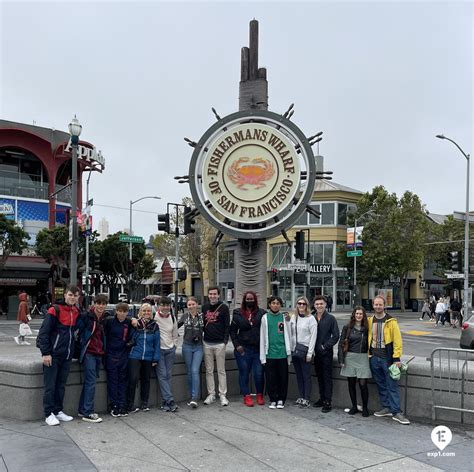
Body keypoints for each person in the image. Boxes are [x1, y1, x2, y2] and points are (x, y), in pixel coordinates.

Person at [37, 285, 81, 426]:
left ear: (78, 297)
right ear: (65, 295)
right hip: (53, 355)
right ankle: (48, 413)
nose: (72, 297)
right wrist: (46, 353)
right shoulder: (54, 310)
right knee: (50, 386)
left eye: (75, 295)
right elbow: (44, 333)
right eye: (70, 294)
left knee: (61, 385)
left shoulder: (76, 311)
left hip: (66, 356)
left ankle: (57, 411)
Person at [368, 295, 410, 425]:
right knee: (380, 384)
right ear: (373, 305)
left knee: (392, 385)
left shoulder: (391, 321)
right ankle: (386, 407)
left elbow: (397, 341)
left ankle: (396, 412)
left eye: (380, 304)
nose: (378, 307)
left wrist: (396, 357)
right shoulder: (370, 320)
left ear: (384, 306)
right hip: (373, 357)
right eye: (376, 304)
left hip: (387, 359)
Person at [230, 290, 266, 407]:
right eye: (247, 299)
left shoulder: (262, 313)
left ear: (255, 300)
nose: (249, 301)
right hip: (243, 349)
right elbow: (233, 331)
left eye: (251, 299)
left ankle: (259, 395)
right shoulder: (237, 313)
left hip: (257, 350)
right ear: (244, 300)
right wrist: (237, 345)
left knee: (258, 374)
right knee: (244, 373)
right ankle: (247, 396)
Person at [77, 294, 109, 423]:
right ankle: (87, 412)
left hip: (99, 353)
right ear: (94, 303)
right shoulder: (86, 316)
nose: (101, 306)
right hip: (88, 353)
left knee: (89, 382)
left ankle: (82, 409)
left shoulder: (105, 318)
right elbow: (77, 330)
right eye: (98, 303)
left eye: (103, 303)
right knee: (91, 382)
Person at [260, 296, 294, 409]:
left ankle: (281, 399)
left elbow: (290, 333)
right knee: (271, 378)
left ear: (280, 305)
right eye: (273, 303)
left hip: (282, 353)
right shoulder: (264, 318)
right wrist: (262, 356)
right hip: (269, 353)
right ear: (269, 305)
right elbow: (262, 338)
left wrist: (289, 320)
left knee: (283, 378)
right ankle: (273, 399)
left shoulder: (284, 317)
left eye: (278, 303)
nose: (275, 305)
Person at [126, 303, 160, 413]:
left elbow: (157, 343)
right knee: (133, 379)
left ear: (151, 313)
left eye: (148, 311)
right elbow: (122, 317)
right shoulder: (135, 323)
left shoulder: (154, 325)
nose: (146, 313)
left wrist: (155, 358)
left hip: (148, 356)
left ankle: (144, 403)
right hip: (135, 355)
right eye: (144, 311)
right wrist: (132, 319)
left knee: (146, 380)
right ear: (140, 312)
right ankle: (129, 404)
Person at [338, 306, 371, 417]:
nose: (358, 316)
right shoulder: (347, 327)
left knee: (363, 384)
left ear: (363, 315)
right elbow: (341, 343)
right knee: (351, 383)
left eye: (360, 314)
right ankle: (354, 406)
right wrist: (341, 359)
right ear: (354, 314)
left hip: (363, 357)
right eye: (357, 313)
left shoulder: (367, 328)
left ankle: (365, 407)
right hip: (350, 357)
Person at [104, 301, 134, 417]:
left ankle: (121, 405)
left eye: (124, 312)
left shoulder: (129, 322)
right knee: (113, 381)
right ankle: (114, 405)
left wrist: (133, 320)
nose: (122, 314)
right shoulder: (110, 322)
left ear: (127, 312)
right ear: (116, 311)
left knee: (122, 381)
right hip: (111, 355)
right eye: (120, 311)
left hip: (123, 355)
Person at [202, 287, 230, 406]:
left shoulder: (224, 308)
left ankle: (222, 395)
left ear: (218, 295)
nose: (212, 296)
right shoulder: (204, 307)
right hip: (207, 342)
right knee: (209, 370)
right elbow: (202, 323)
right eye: (210, 294)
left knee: (221, 370)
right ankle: (211, 394)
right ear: (208, 295)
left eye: (214, 294)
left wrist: (225, 341)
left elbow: (227, 325)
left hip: (219, 343)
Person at [312, 295, 339, 413]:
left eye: (321, 304)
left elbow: (336, 336)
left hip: (326, 353)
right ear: (314, 305)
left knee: (327, 377)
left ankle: (328, 401)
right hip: (314, 353)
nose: (319, 306)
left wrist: (325, 346)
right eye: (317, 304)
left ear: (325, 305)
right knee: (319, 376)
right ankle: (322, 398)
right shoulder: (311, 317)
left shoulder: (331, 318)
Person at [154, 296, 179, 412]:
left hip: (170, 350)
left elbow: (175, 334)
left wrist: (174, 346)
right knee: (163, 375)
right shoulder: (154, 317)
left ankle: (165, 403)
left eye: (167, 305)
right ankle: (170, 400)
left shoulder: (173, 318)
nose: (165, 307)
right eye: (163, 305)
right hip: (159, 351)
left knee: (168, 375)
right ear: (159, 306)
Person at [292, 296, 317, 408]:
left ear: (307, 306)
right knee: (299, 375)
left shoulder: (311, 319)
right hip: (295, 350)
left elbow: (313, 337)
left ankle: (306, 398)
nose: (301, 306)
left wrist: (310, 353)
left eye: (303, 304)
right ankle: (301, 396)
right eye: (299, 303)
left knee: (306, 375)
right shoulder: (294, 317)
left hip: (306, 350)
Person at [179, 297, 204, 408]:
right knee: (189, 372)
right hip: (187, 346)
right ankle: (191, 396)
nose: (191, 306)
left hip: (199, 346)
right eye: (189, 305)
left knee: (195, 370)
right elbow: (173, 327)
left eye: (193, 304)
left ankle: (195, 397)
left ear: (197, 304)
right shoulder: (184, 316)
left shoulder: (202, 317)